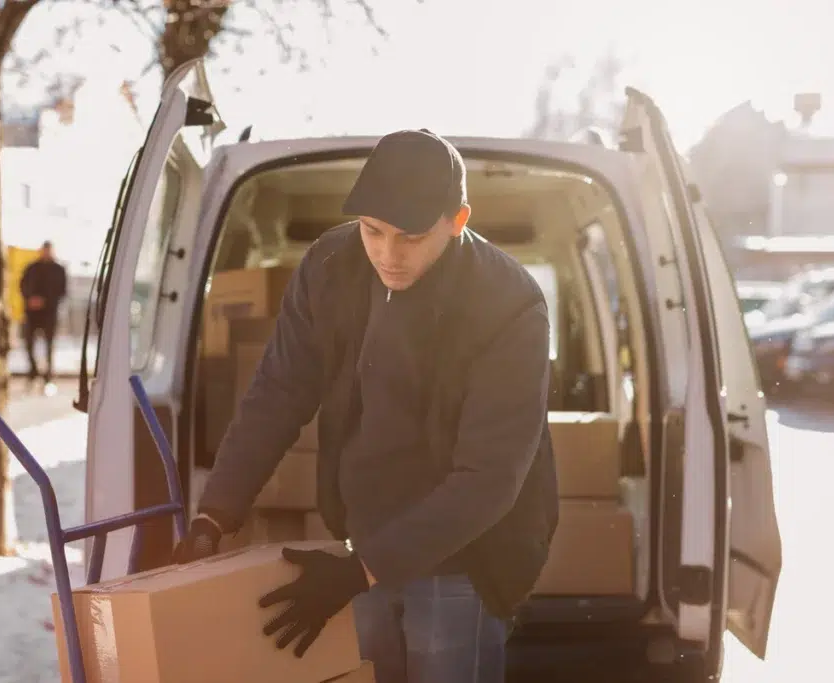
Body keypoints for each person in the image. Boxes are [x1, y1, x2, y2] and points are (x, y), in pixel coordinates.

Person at [172, 129, 559, 683]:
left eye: (411, 237)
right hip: (365, 534)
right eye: (373, 231)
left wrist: (360, 570)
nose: (388, 254)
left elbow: (489, 477)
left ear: (459, 219)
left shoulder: (509, 303)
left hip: (470, 553)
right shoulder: (331, 265)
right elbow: (280, 391)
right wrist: (216, 514)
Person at [19, 240, 67, 390]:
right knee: (28, 342)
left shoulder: (58, 269)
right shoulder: (32, 268)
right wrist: (30, 299)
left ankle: (48, 375)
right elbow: (22, 285)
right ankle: (33, 371)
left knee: (49, 344)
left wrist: (45, 301)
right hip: (32, 313)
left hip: (49, 313)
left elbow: (62, 290)